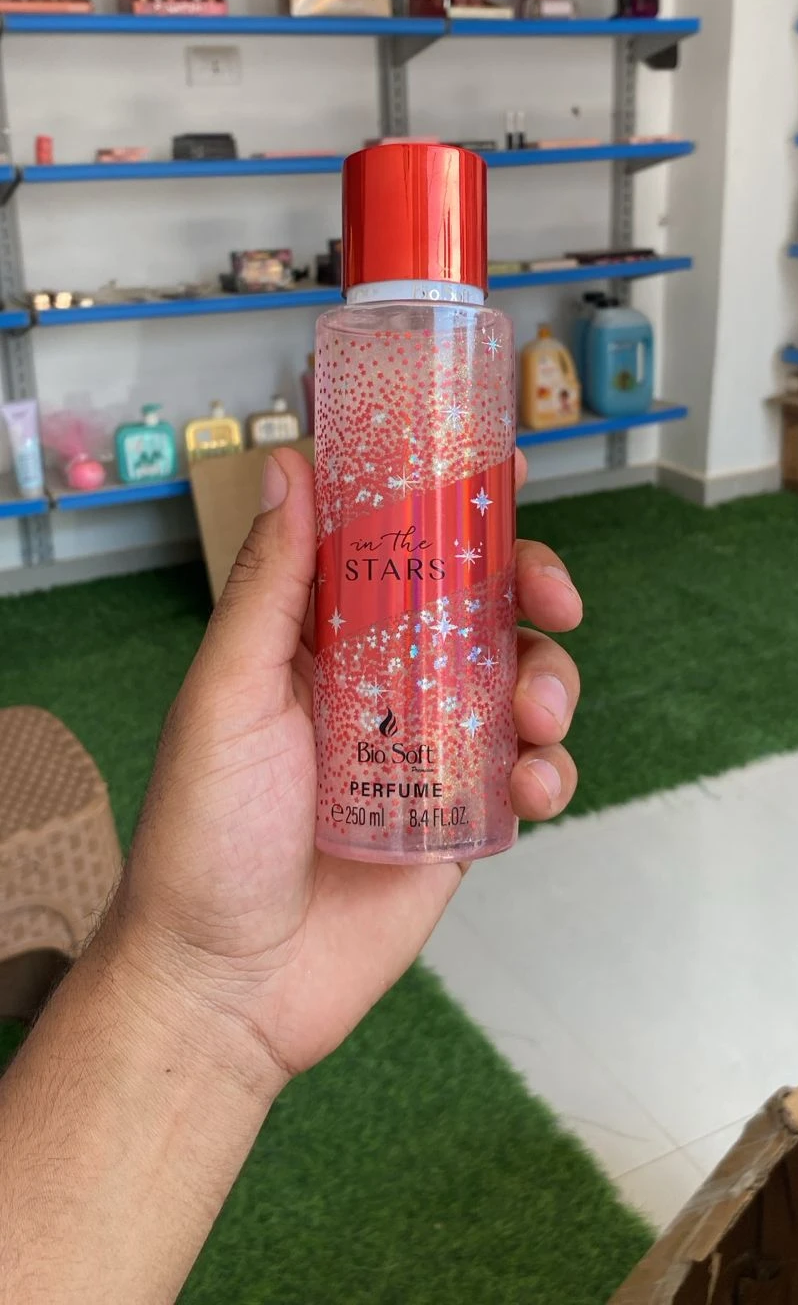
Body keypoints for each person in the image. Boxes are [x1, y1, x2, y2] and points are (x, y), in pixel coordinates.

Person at [0, 449, 582, 1305]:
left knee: (465, 564)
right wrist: (193, 976)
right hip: (317, 821)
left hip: (431, 789)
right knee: (431, 553)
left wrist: (195, 997)